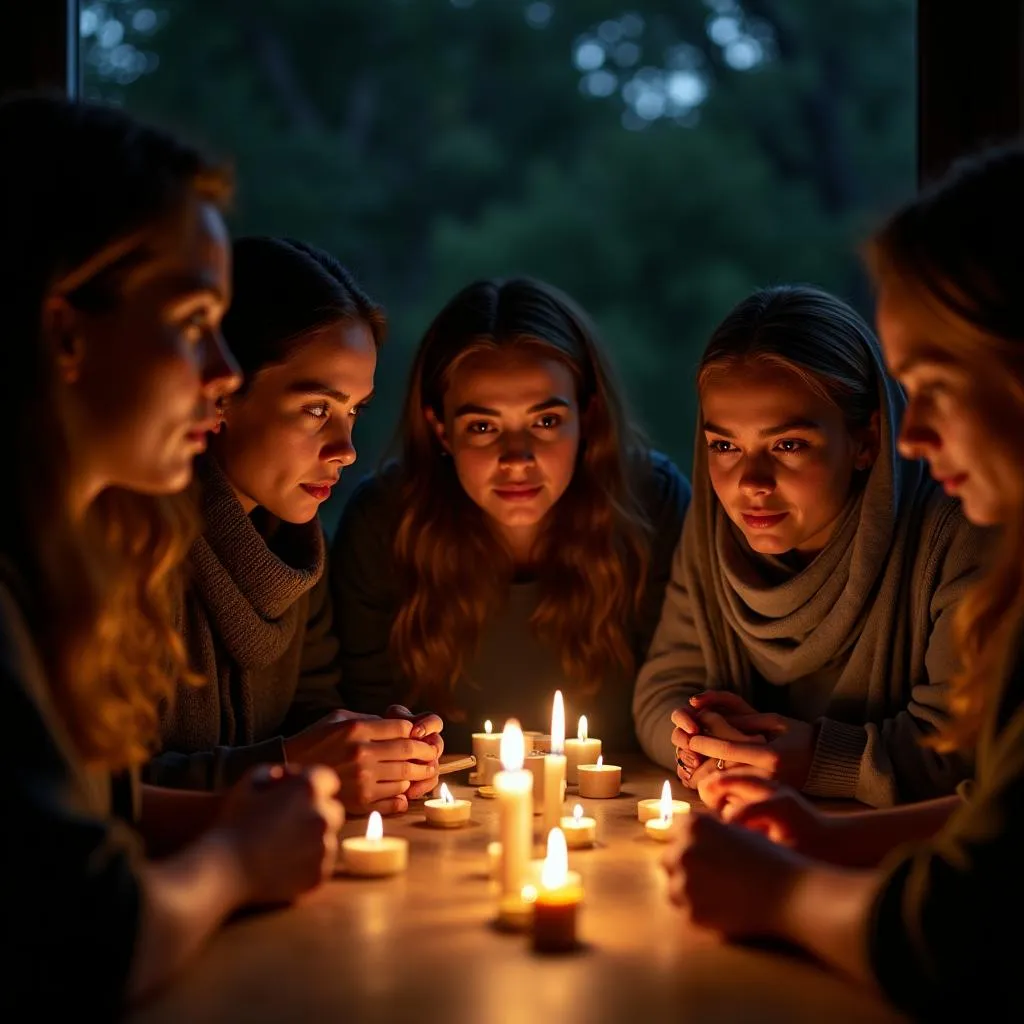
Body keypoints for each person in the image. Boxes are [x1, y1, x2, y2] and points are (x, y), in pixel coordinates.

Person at [662, 143, 1024, 1017]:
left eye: (935, 385)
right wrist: (825, 834)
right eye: (723, 445)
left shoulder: (959, 545)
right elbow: (995, 823)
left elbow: (961, 937)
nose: (914, 438)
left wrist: (783, 893)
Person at [0, 95, 342, 1014]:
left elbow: (78, 826)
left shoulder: (71, 563)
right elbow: (90, 935)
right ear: (65, 331)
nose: (225, 373)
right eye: (193, 322)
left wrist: (239, 809)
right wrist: (237, 862)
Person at [633, 284, 986, 808]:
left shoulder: (957, 534)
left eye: (788, 445)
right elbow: (662, 689)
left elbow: (966, 748)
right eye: (725, 446)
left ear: (866, 441)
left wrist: (819, 758)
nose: (751, 482)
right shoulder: (717, 531)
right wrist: (702, 743)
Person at [147, 236, 442, 817]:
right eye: (316, 409)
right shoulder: (131, 550)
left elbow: (309, 703)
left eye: (354, 410)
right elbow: (85, 794)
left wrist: (366, 746)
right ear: (221, 391)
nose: (347, 449)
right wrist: (292, 766)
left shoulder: (296, 554)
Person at [332, 277, 689, 753]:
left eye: (546, 422)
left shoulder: (651, 506)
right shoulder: (384, 524)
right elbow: (364, 714)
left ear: (588, 415)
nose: (516, 458)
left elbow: (681, 687)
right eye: (482, 426)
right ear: (440, 429)